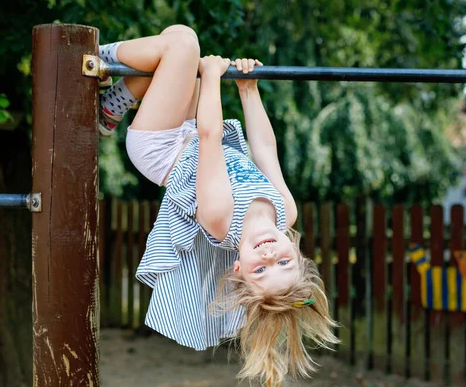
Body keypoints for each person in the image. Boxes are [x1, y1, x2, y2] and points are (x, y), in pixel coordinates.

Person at [97, 25, 339, 387]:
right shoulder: (284, 212)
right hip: (191, 131)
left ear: (239, 269)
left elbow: (211, 137)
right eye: (284, 263)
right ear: (297, 252)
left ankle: (94, 56)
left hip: (162, 147)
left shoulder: (221, 219)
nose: (271, 255)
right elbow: (266, 151)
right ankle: (108, 109)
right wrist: (248, 89)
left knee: (184, 45)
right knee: (179, 41)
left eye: (261, 272)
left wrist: (212, 77)